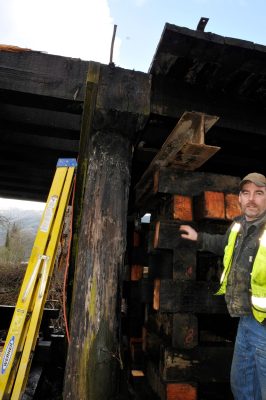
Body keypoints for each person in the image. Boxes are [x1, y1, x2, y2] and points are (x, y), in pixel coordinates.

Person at [179, 172, 266, 400]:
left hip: (264, 326)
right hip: (245, 320)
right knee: (242, 387)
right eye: (246, 193)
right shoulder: (238, 225)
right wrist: (198, 237)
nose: (251, 199)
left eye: (259, 193)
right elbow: (224, 245)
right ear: (239, 198)